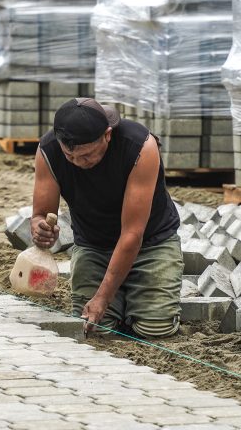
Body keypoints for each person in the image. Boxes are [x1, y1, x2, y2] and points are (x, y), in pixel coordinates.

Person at [31, 97, 183, 338]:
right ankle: (122, 304)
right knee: (95, 329)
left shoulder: (140, 146)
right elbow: (39, 214)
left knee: (155, 329)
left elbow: (132, 235)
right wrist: (39, 228)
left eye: (87, 155)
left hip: (151, 245)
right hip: (94, 246)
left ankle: (137, 303)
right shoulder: (48, 150)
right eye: (71, 157)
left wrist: (103, 296)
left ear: (107, 135)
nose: (79, 163)